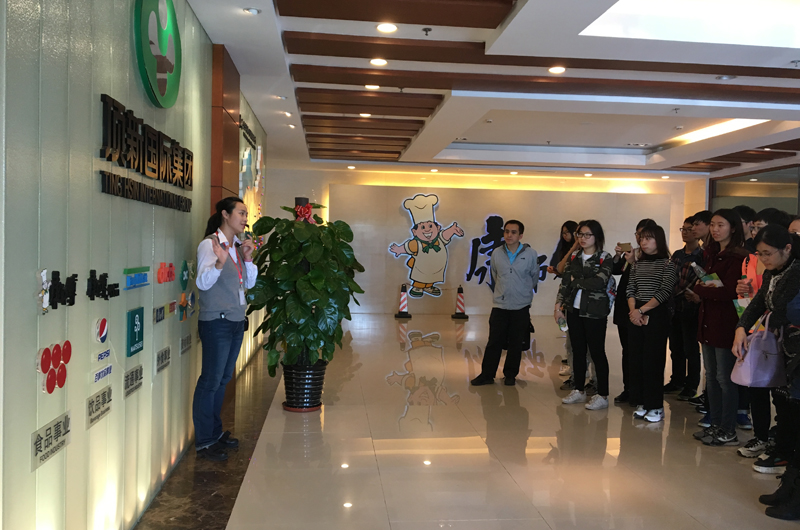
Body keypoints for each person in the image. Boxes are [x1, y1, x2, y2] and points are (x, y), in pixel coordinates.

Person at [733, 225, 800, 520]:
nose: (763, 259)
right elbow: (761, 301)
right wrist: (741, 327)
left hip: (796, 354)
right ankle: (789, 485)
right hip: (784, 354)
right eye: (759, 254)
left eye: (768, 253)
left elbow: (784, 310)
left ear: (787, 248)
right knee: (786, 416)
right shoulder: (775, 272)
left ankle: (795, 494)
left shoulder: (797, 272)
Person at [193, 197, 258, 461]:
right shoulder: (210, 245)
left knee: (222, 380)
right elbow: (202, 283)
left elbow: (248, 284)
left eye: (246, 214)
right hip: (216, 322)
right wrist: (219, 263)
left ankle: (215, 433)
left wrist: (248, 258)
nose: (245, 219)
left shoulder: (237, 247)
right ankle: (204, 441)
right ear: (225, 214)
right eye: (241, 213)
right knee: (210, 381)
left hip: (234, 321)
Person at [688, 209, 749, 447]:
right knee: (711, 377)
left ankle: (728, 429)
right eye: (713, 224)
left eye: (720, 225)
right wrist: (705, 289)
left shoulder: (738, 257)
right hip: (708, 322)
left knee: (725, 379)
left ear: (732, 227)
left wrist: (701, 290)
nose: (715, 229)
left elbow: (729, 292)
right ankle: (715, 424)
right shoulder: (713, 253)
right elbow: (708, 285)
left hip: (726, 323)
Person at [471, 220, 540, 386]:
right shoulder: (497, 253)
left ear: (520, 235)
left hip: (521, 305)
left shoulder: (531, 254)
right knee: (494, 341)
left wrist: (522, 292)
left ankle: (510, 375)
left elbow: (534, 277)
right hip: (500, 305)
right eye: (507, 231)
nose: (509, 235)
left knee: (516, 342)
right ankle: (487, 375)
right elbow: (495, 275)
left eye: (513, 232)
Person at [557, 220, 614, 410]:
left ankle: (602, 394)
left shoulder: (604, 257)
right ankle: (579, 389)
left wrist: (577, 281)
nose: (583, 238)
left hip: (595, 312)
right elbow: (565, 283)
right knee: (578, 351)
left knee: (597, 352)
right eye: (580, 234)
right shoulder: (574, 257)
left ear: (597, 237)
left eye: (587, 235)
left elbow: (599, 282)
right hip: (574, 310)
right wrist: (558, 306)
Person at [627, 223, 679, 422]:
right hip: (636, 312)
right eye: (642, 238)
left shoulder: (668, 264)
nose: (643, 242)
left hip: (656, 313)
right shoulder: (637, 264)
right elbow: (630, 289)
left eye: (648, 238)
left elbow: (664, 292)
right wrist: (633, 311)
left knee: (653, 361)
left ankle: (655, 405)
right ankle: (641, 401)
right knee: (637, 359)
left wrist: (641, 310)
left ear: (659, 240)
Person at [611, 218, 655, 404]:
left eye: (645, 236)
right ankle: (628, 388)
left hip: (643, 308)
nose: (640, 239)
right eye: (638, 235)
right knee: (627, 350)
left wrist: (634, 261)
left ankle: (642, 391)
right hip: (625, 307)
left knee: (641, 351)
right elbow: (615, 269)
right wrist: (618, 256)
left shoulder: (654, 258)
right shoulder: (632, 253)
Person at [665, 216, 703, 400]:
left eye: (689, 229)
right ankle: (677, 379)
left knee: (690, 348)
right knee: (675, 347)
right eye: (684, 229)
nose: (686, 233)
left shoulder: (701, 256)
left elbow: (702, 279)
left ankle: (691, 384)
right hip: (674, 306)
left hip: (690, 306)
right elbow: (670, 276)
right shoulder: (677, 254)